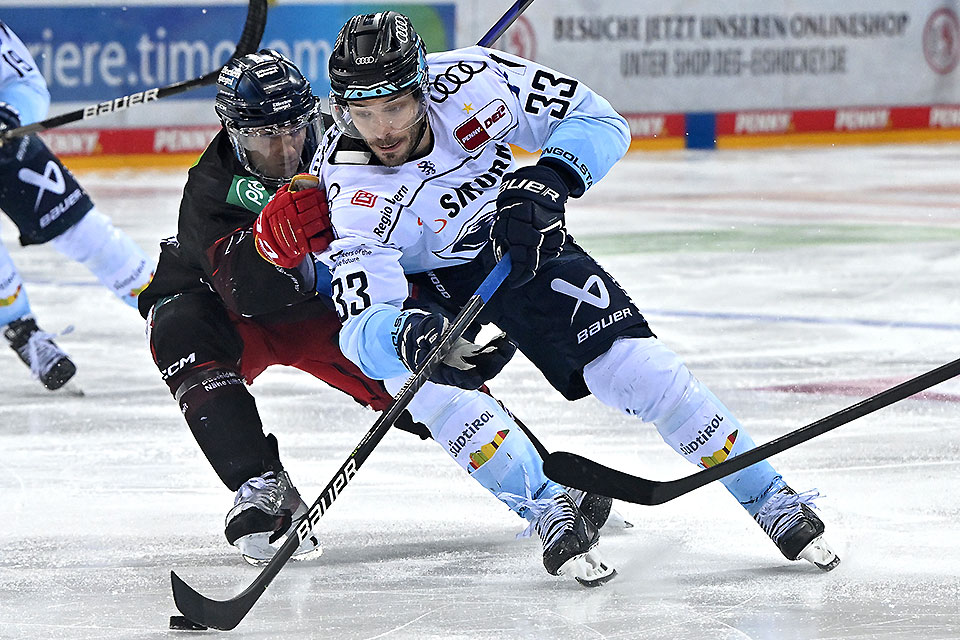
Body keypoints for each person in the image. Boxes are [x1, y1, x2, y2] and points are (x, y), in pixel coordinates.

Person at [253, 11, 841, 582]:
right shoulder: (348, 189)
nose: (381, 129)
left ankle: (769, 496)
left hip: (518, 237)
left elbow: (601, 121)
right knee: (426, 391)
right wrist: (404, 336)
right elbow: (362, 332)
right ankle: (547, 506)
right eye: (361, 111)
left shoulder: (475, 81)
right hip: (423, 281)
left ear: (422, 87)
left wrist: (547, 182)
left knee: (638, 372)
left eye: (395, 106)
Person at [139, 49, 617, 577]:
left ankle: (548, 486)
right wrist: (276, 246)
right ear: (231, 132)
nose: (283, 149)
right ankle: (261, 486)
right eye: (261, 137)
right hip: (231, 315)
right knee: (178, 329)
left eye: (295, 128)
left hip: (325, 310)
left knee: (425, 372)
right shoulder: (210, 185)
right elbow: (244, 296)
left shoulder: (352, 147)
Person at [0, 20, 154, 390]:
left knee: (84, 230)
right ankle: (21, 328)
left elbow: (28, 84)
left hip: (5, 146)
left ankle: (169, 303)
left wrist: (9, 114)